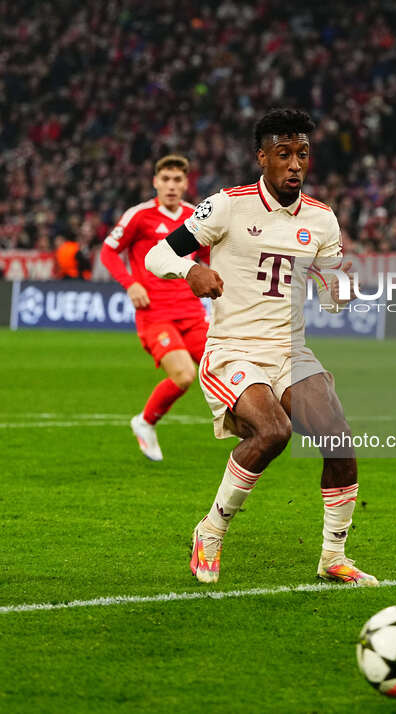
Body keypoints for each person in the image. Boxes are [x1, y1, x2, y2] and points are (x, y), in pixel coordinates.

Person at [145, 109, 377, 586]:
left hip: (291, 351)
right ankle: (210, 532)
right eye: (285, 154)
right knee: (273, 432)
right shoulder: (227, 206)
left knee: (340, 441)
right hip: (234, 349)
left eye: (303, 155)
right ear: (263, 157)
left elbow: (333, 295)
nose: (295, 164)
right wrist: (191, 271)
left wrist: (341, 293)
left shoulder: (322, 218)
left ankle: (333, 556)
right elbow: (158, 253)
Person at [101, 155, 209, 461]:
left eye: (177, 180)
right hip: (155, 315)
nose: (171, 186)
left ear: (186, 183)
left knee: (224, 366)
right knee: (185, 375)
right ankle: (145, 422)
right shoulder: (139, 216)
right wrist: (130, 284)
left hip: (192, 312)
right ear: (155, 182)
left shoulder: (195, 217)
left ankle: (242, 424)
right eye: (166, 179)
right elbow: (108, 252)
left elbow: (210, 255)